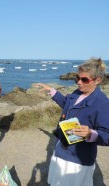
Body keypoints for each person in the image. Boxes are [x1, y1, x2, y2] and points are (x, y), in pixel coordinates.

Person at [36, 58, 109, 186]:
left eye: (84, 79)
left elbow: (107, 135)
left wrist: (90, 133)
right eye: (77, 78)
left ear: (98, 80)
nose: (79, 82)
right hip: (61, 149)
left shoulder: (102, 103)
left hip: (77, 159)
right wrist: (52, 91)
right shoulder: (77, 92)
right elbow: (67, 104)